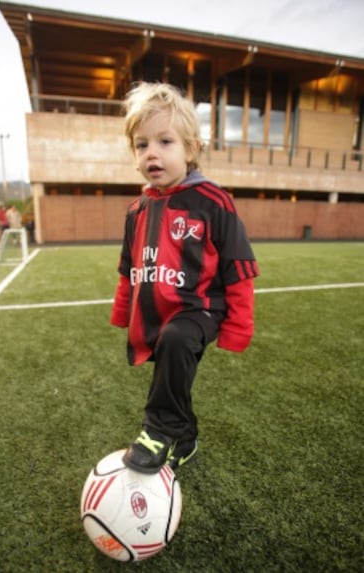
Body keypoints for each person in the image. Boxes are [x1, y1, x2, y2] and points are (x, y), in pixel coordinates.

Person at [110, 82, 259, 474]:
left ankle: (158, 428)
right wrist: (123, 313)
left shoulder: (214, 202)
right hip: (156, 313)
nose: (152, 153)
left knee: (176, 343)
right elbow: (129, 269)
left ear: (191, 149)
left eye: (165, 141)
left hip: (200, 310)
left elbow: (240, 268)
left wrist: (238, 329)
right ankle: (186, 437)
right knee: (172, 373)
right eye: (142, 145)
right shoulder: (137, 210)